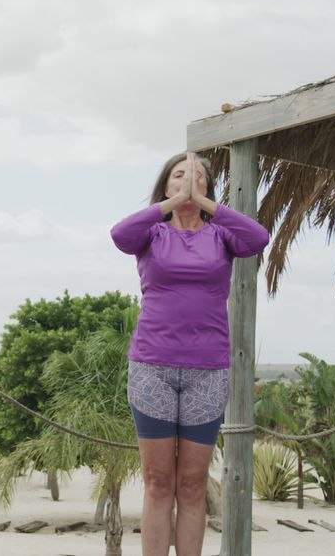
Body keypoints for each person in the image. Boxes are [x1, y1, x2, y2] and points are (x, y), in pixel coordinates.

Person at [110, 152, 269, 556]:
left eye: (198, 178)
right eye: (179, 176)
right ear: (165, 185)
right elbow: (120, 234)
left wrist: (208, 206)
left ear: (209, 190)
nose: (188, 183)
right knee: (159, 482)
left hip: (208, 371)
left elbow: (258, 238)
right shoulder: (152, 234)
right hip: (152, 367)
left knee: (193, 484)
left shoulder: (221, 236)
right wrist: (168, 205)